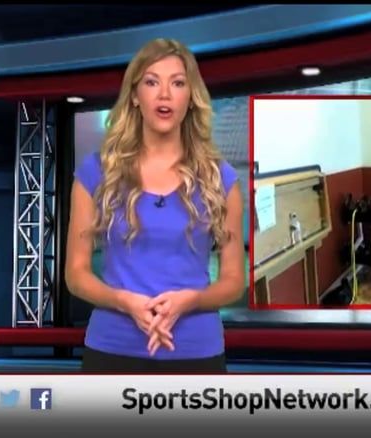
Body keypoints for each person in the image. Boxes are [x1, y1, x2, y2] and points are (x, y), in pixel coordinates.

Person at [65, 38, 245, 373]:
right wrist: (123, 301)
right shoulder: (96, 172)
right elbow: (76, 275)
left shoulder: (220, 179)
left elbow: (234, 280)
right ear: (135, 96)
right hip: (112, 350)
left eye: (177, 83)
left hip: (196, 354)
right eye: (151, 82)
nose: (164, 94)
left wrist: (192, 300)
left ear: (190, 97)